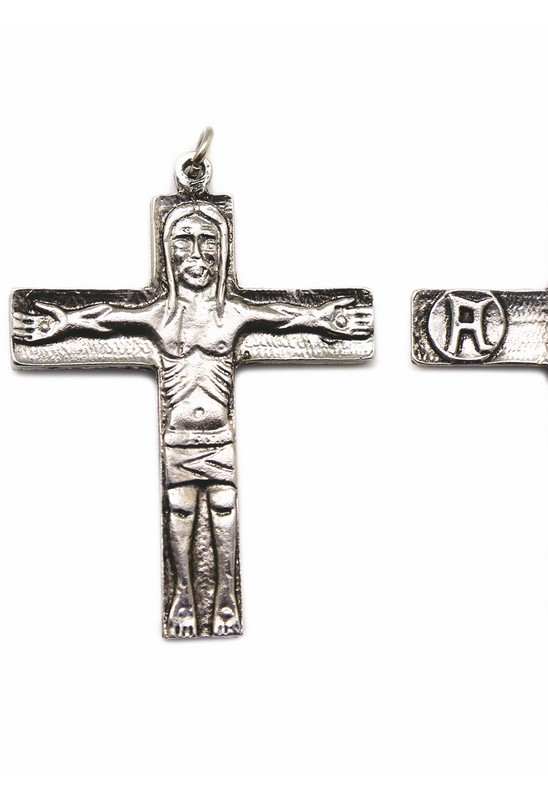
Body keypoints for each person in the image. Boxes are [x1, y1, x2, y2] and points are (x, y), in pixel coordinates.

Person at [13, 202, 372, 637]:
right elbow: (107, 316)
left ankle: (225, 598)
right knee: (180, 511)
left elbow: (284, 315)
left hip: (219, 436)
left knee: (223, 508)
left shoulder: (232, 314)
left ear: (222, 251)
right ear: (169, 251)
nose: (197, 254)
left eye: (208, 242)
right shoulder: (159, 316)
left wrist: (323, 317)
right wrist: (64, 321)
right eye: (184, 241)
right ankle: (182, 595)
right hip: (179, 436)